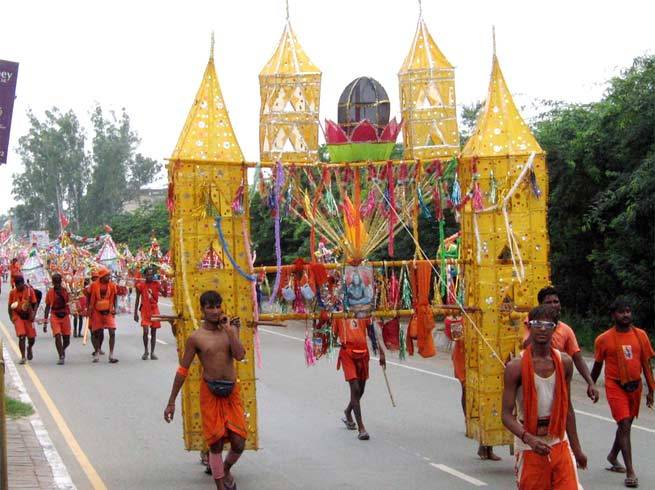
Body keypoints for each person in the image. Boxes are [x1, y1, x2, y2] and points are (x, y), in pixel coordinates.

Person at [164, 291, 247, 490]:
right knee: (216, 443)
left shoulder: (230, 330)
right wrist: (171, 401)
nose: (215, 311)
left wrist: (230, 331)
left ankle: (225, 469)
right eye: (210, 307)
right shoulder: (196, 338)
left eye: (218, 306)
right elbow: (183, 370)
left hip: (231, 392)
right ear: (202, 309)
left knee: (239, 442)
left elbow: (240, 355)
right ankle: (220, 486)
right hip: (210, 392)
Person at [502, 305, 587, 489]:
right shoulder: (515, 367)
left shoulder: (564, 362)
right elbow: (506, 415)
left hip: (558, 440)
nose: (542, 328)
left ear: (555, 328)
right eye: (537, 324)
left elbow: (568, 409)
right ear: (529, 327)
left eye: (547, 324)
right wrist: (529, 439)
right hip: (529, 444)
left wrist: (577, 448)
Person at [590, 297, 654, 488]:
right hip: (615, 385)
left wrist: (651, 389)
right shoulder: (603, 339)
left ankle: (612, 455)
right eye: (621, 312)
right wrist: (591, 385)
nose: (626, 315)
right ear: (613, 315)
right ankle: (630, 471)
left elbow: (646, 365)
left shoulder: (641, 335)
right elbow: (597, 365)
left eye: (628, 311)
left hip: (635, 387)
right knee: (624, 424)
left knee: (625, 425)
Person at [526, 287, 600, 403]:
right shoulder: (530, 325)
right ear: (541, 305)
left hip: (558, 382)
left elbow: (577, 358)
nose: (553, 305)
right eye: (548, 302)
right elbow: (525, 348)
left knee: (564, 410)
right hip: (533, 380)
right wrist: (535, 327)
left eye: (556, 302)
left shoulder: (566, 330)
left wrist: (591, 382)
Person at [448, 316, 501, 461]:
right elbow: (455, 335)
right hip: (465, 357)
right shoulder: (463, 316)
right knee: (467, 390)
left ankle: (487, 445)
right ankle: (469, 422)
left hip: (486, 357)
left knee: (490, 398)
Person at [333, 317, 385, 441]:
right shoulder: (338, 313)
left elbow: (374, 331)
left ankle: (348, 411)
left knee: (361, 390)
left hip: (363, 353)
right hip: (347, 354)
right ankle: (361, 428)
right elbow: (333, 336)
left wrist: (382, 353)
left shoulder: (363, 308)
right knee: (355, 389)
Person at [88, 267, 118, 363]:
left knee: (112, 332)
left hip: (108, 312)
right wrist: (89, 308)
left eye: (109, 275)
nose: (109, 277)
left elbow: (115, 298)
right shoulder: (94, 285)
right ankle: (96, 353)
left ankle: (111, 354)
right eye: (107, 275)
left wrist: (115, 308)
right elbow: (89, 296)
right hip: (97, 312)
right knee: (96, 333)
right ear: (102, 277)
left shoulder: (112, 286)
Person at [8, 276, 38, 364]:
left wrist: (33, 313)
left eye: (19, 284)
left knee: (31, 338)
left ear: (23, 283)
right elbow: (9, 306)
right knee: (21, 336)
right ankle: (23, 357)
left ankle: (29, 348)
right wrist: (11, 318)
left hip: (28, 316)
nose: (17, 286)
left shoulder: (30, 291)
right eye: (16, 285)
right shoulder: (12, 293)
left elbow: (35, 303)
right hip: (18, 316)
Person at [44, 273, 71, 365]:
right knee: (57, 335)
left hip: (65, 315)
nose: (56, 283)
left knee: (67, 340)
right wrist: (45, 322)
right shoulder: (50, 292)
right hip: (54, 315)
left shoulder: (65, 291)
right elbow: (47, 306)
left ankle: (62, 350)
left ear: (60, 281)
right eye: (55, 282)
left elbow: (69, 301)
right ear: (52, 282)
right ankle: (61, 356)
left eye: (58, 281)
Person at [134, 267, 161, 360]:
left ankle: (153, 353)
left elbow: (165, 294)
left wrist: (165, 285)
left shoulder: (157, 284)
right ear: (144, 275)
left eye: (152, 275)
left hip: (154, 310)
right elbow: (137, 299)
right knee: (145, 331)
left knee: (153, 332)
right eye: (148, 274)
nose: (150, 276)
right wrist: (135, 313)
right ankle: (146, 351)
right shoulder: (140, 286)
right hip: (145, 310)